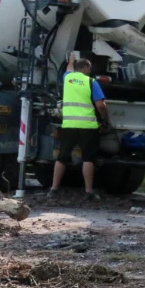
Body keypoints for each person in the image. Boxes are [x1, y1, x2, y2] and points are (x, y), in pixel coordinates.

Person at [48, 56, 109, 200]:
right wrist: (106, 119)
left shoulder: (67, 78)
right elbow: (100, 105)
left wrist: (70, 60)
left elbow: (69, 68)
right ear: (85, 68)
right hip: (87, 126)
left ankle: (53, 190)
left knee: (62, 157)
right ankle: (88, 192)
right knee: (88, 158)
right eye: (89, 68)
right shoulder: (90, 81)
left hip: (69, 124)